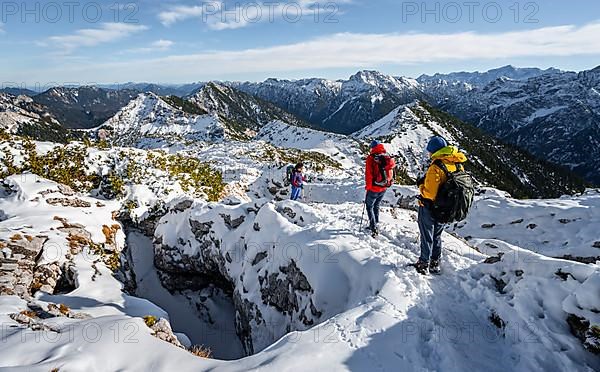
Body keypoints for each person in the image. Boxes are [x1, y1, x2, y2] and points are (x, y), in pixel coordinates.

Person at [415, 136, 467, 274]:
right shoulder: (457, 163)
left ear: (434, 151)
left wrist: (420, 185)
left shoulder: (436, 167)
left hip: (431, 207)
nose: (428, 154)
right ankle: (435, 262)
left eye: (429, 151)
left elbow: (429, 194)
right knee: (437, 236)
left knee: (427, 236)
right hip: (448, 209)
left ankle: (423, 263)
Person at [364, 140, 390, 237]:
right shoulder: (385, 155)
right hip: (383, 187)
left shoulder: (371, 158)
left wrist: (368, 187)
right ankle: (376, 222)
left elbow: (369, 174)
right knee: (376, 205)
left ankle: (373, 227)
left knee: (369, 206)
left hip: (374, 188)